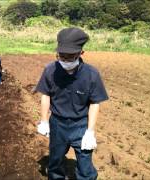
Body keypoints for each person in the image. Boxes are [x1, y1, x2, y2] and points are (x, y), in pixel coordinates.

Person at [36, 27, 108, 180]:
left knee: (85, 164)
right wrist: (43, 120)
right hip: (57, 123)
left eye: (70, 57)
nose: (65, 60)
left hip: (80, 125)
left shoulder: (91, 74)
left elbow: (95, 103)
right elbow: (46, 95)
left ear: (81, 53)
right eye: (61, 56)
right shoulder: (50, 70)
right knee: (55, 160)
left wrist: (90, 132)